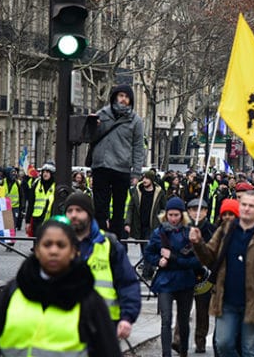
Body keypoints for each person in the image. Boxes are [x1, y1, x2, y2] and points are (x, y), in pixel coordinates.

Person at [0, 218, 121, 357]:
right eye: (47, 244)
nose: (53, 251)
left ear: (73, 252)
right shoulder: (12, 292)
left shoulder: (89, 300)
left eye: (61, 245)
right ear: (37, 250)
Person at [189, 190, 254, 357]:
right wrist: (198, 243)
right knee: (223, 343)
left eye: (251, 206)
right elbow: (209, 257)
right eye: (244, 205)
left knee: (249, 350)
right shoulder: (226, 230)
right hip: (227, 301)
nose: (247, 209)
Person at [64, 192, 141, 340]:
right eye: (70, 211)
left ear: (89, 214)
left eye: (79, 211)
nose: (73, 215)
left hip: (104, 324)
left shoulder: (109, 244)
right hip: (66, 324)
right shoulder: (57, 244)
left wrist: (127, 317)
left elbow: (127, 283)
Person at [144, 197, 200, 357]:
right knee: (166, 320)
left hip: (185, 281)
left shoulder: (189, 232)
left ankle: (183, 351)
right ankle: (165, 353)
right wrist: (157, 261)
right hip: (165, 281)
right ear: (166, 215)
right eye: (170, 215)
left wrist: (174, 258)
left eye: (176, 215)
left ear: (182, 215)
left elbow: (196, 261)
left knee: (183, 320)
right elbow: (148, 252)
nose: (173, 218)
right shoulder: (159, 232)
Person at [90, 84, 145, 237]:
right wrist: (94, 126)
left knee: (119, 209)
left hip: (122, 168)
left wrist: (136, 173)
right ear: (114, 97)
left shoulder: (136, 120)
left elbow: (138, 147)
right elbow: (90, 137)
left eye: (127, 97)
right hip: (102, 165)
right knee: (100, 207)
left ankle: (117, 243)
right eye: (121, 96)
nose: (124, 99)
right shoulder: (102, 115)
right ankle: (100, 239)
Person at [172, 197, 216, 354]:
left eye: (200, 209)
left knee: (202, 311)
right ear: (188, 212)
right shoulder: (182, 228)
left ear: (206, 212)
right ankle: (178, 339)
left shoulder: (211, 229)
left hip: (205, 276)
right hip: (186, 274)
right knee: (183, 309)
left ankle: (200, 340)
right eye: (193, 209)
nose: (196, 213)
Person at [125, 170, 166, 279]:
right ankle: (150, 268)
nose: (144, 180)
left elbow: (163, 208)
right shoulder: (136, 191)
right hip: (139, 225)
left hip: (152, 225)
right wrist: (128, 223)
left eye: (147, 178)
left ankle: (146, 273)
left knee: (148, 248)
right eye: (143, 178)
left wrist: (161, 221)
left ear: (151, 180)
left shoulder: (159, 192)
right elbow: (131, 207)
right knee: (144, 249)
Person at [28, 163, 56, 234]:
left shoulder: (56, 185)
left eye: (47, 172)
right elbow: (31, 202)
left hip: (51, 217)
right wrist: (27, 221)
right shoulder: (37, 184)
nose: (45, 174)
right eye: (44, 172)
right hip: (37, 217)